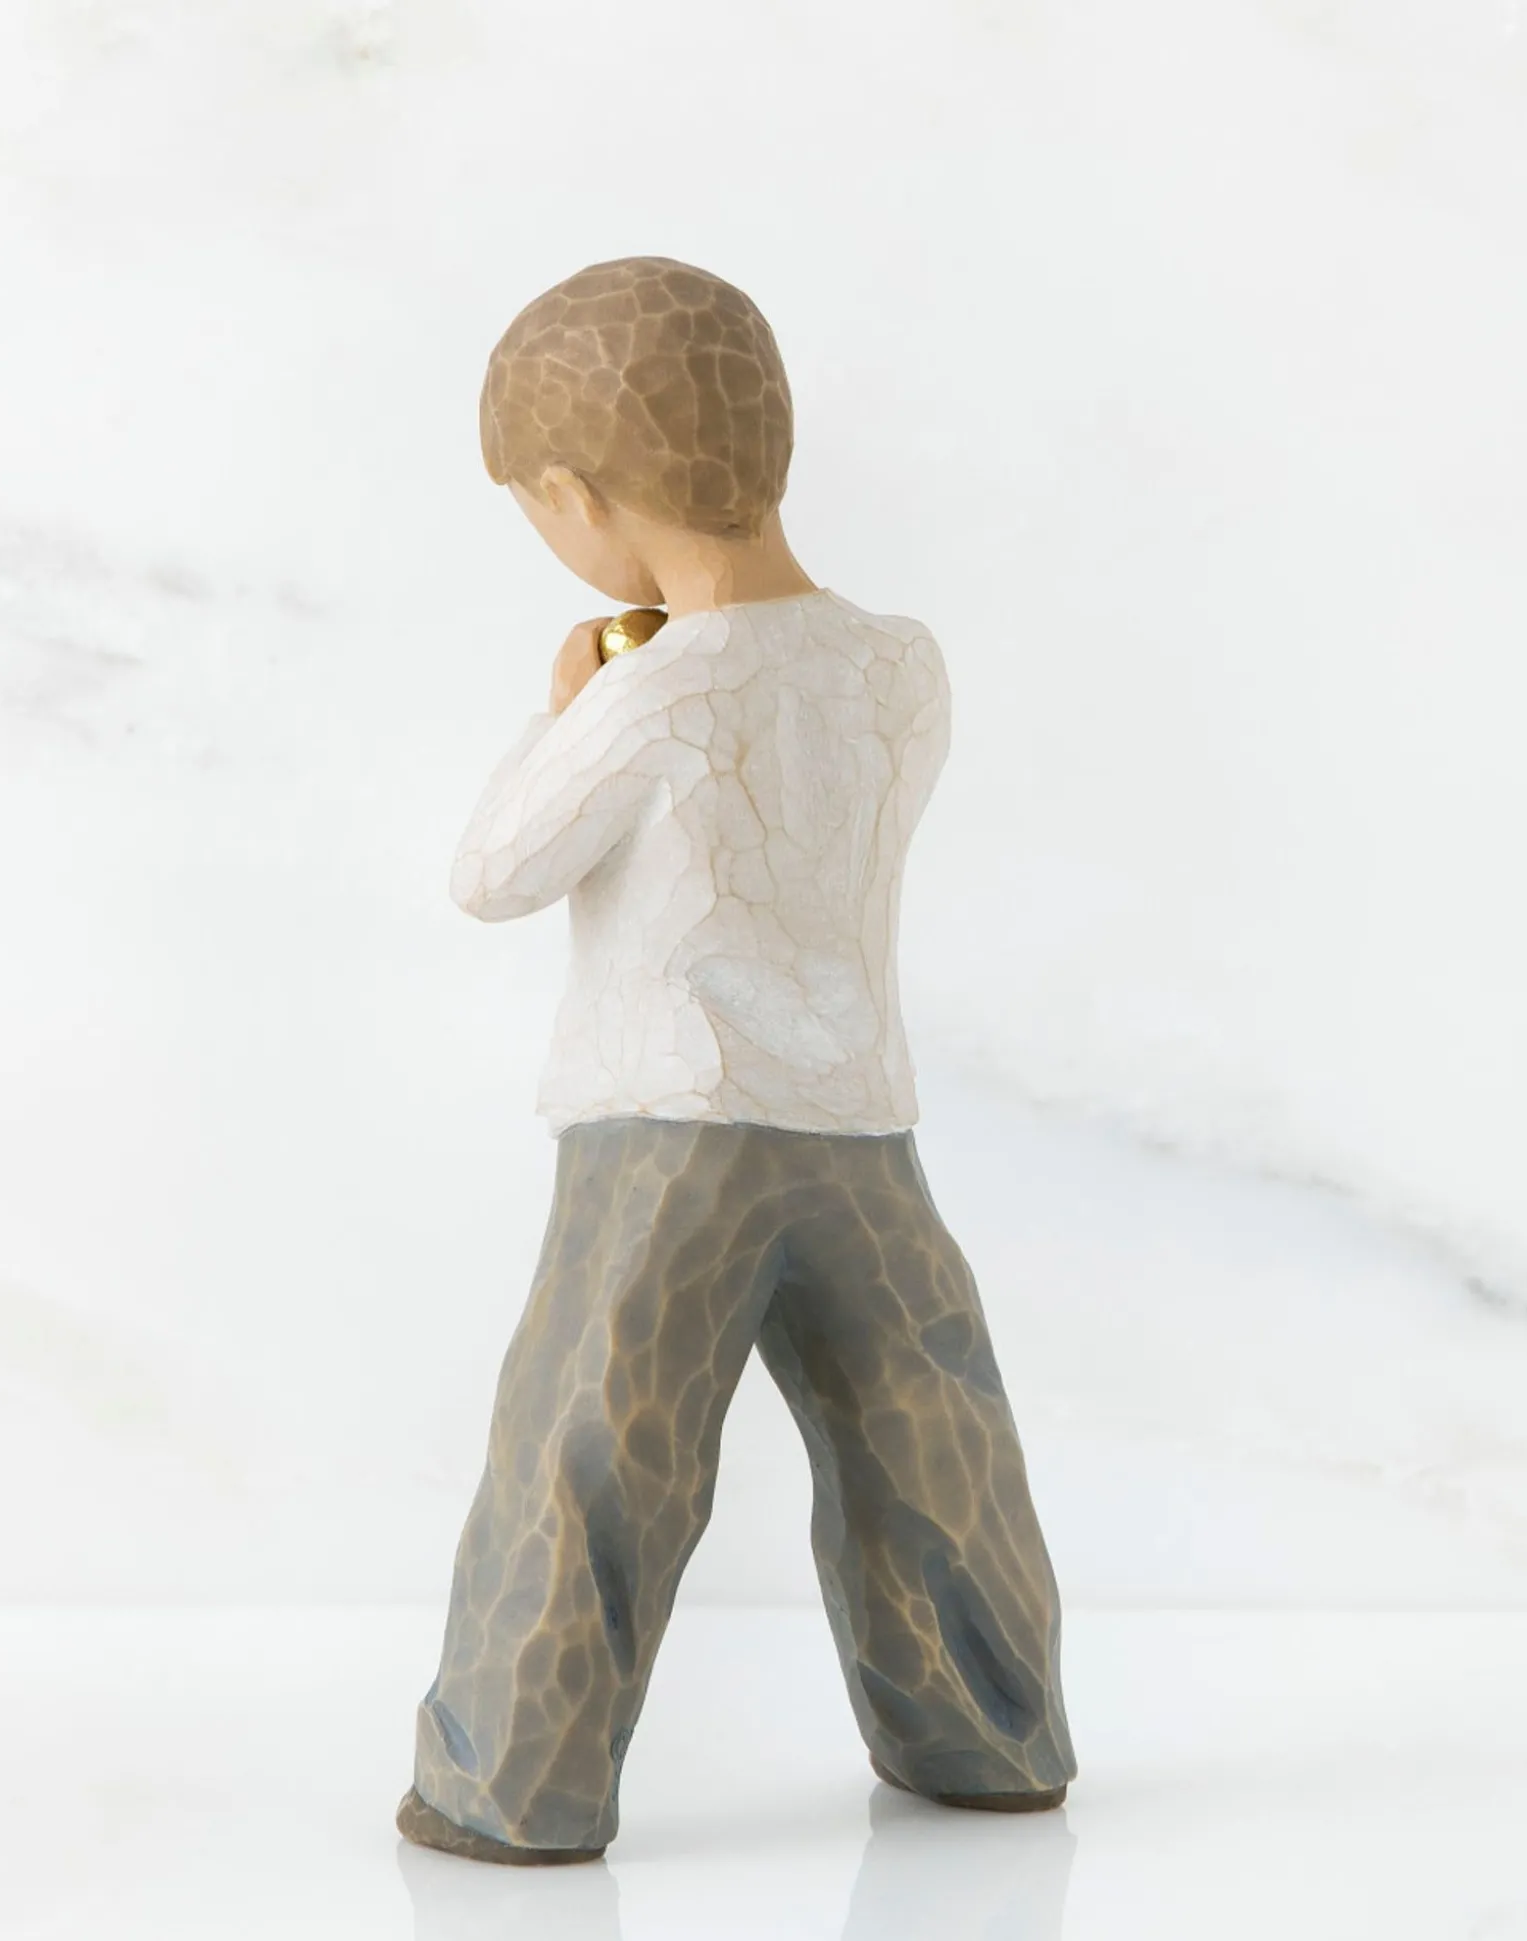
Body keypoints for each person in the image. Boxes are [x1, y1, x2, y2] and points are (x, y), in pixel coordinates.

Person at [397, 257, 1077, 1865]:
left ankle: (514, 1777)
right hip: (860, 1121)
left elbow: (494, 873)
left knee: (595, 1447)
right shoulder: (901, 665)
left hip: (668, 1125)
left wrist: (566, 712)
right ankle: (987, 1733)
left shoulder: (656, 694)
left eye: (542, 511)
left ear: (580, 498)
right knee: (927, 1427)